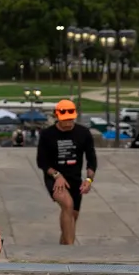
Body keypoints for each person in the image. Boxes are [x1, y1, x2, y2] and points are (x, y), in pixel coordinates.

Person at [36, 100, 97, 245]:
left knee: (72, 217)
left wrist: (89, 180)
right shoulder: (47, 134)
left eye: (71, 119)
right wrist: (57, 176)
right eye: (65, 120)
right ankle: (71, 250)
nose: (68, 123)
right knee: (67, 205)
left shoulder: (83, 133)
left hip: (75, 178)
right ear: (57, 116)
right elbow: (41, 162)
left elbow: (91, 160)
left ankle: (62, 248)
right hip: (54, 177)